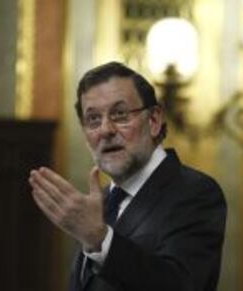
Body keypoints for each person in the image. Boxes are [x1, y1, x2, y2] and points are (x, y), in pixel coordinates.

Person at [29, 61, 227, 291]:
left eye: (120, 114)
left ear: (153, 121)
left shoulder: (196, 192)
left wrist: (100, 240)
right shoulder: (97, 206)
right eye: (93, 119)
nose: (105, 130)